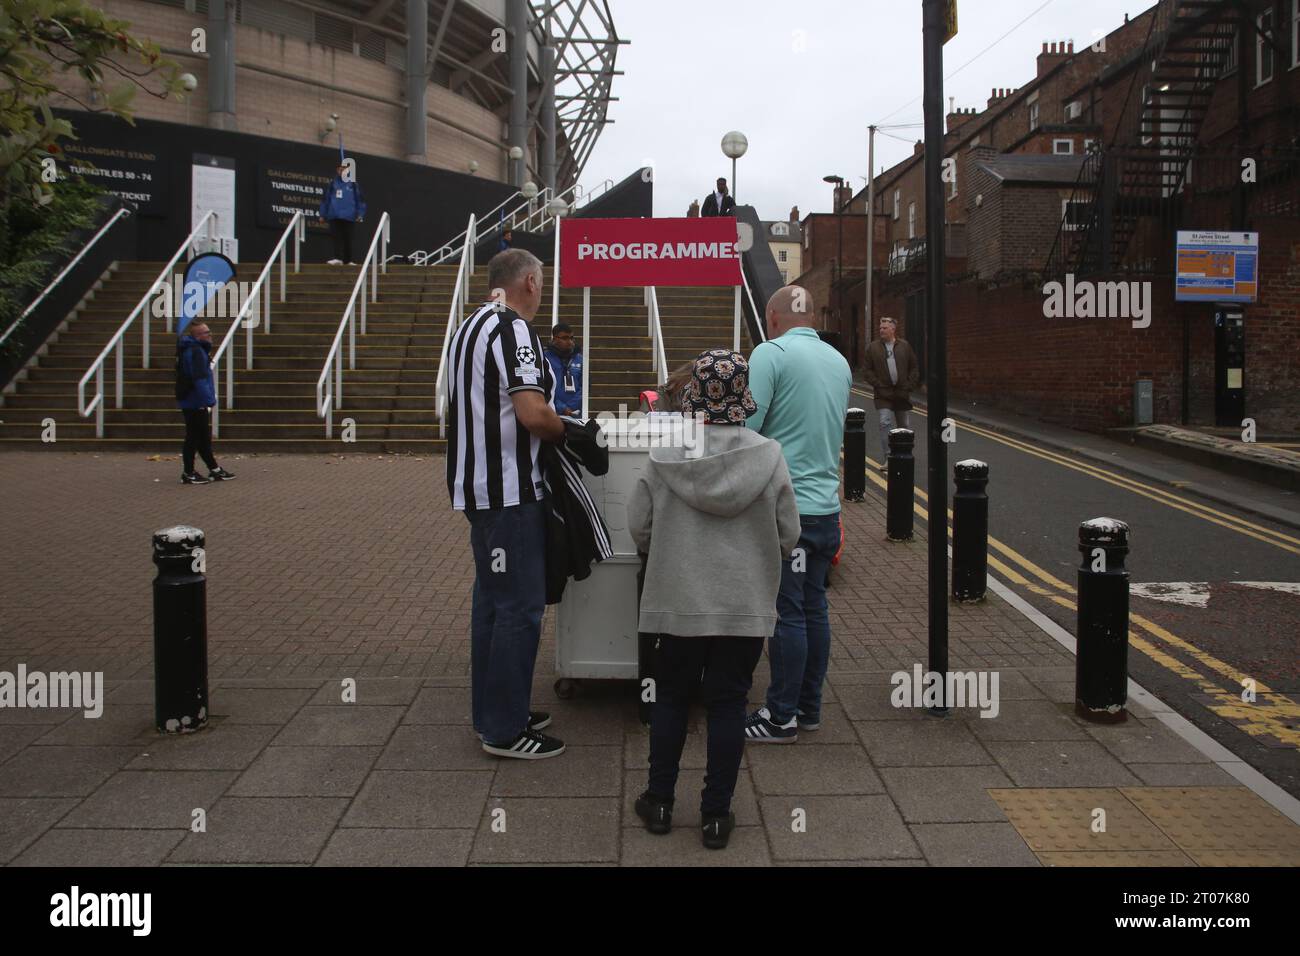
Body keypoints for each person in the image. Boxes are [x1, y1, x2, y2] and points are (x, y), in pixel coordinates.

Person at [629, 349, 800, 849]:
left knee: (672, 698)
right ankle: (715, 816)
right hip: (743, 606)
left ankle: (659, 801)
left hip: (679, 601)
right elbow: (789, 534)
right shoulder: (769, 455)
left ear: (694, 395)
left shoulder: (664, 455)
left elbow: (639, 528)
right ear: (744, 396)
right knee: (728, 703)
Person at [445, 248, 568, 760]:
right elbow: (533, 414)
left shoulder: (467, 327)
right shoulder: (513, 330)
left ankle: (495, 711)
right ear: (532, 283)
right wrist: (574, 431)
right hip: (513, 494)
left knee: (492, 607)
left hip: (479, 492)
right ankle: (505, 730)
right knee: (519, 610)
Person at [743, 286, 851, 743]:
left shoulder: (771, 354)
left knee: (786, 614)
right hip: (826, 509)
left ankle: (780, 715)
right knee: (814, 609)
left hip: (786, 511)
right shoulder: (839, 361)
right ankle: (808, 708)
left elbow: (745, 429)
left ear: (772, 315)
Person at [175, 322, 235, 484]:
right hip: (195, 400)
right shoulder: (196, 352)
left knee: (201, 437)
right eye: (206, 332)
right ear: (198, 336)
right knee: (194, 437)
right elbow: (199, 378)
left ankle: (213, 469)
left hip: (191, 399)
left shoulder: (191, 350)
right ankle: (189, 472)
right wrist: (208, 399)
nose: (210, 335)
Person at [863, 317, 920, 468]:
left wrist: (908, 386)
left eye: (885, 328)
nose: (881, 330)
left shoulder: (904, 346)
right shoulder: (873, 347)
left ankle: (905, 454)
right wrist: (878, 384)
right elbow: (867, 371)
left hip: (902, 393)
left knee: (903, 425)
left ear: (893, 330)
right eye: (880, 328)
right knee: (884, 422)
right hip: (883, 394)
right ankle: (889, 457)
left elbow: (914, 367)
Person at [319, 162, 366, 265]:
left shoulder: (353, 184)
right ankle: (337, 258)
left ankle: (348, 260)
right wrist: (322, 214)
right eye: (341, 169)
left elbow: (360, 201)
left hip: (349, 216)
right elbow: (325, 200)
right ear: (337, 170)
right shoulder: (332, 184)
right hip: (334, 215)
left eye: (345, 169)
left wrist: (360, 214)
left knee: (348, 238)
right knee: (336, 237)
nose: (342, 171)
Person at [543, 323, 583, 417]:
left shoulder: (580, 360)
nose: (569, 341)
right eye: (565, 338)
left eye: (571, 338)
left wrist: (571, 407)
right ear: (554, 339)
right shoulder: (545, 359)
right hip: (552, 413)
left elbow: (585, 388)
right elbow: (544, 387)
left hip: (575, 413)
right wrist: (561, 408)